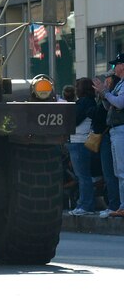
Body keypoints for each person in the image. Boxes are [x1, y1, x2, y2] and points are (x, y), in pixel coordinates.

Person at [93, 52, 124, 218]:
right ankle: (121, 205)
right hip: (115, 130)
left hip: (121, 130)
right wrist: (104, 95)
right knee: (119, 171)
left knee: (122, 171)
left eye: (116, 65)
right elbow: (110, 107)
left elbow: (120, 103)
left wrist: (106, 93)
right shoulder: (120, 84)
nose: (114, 68)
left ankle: (122, 205)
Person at [67, 78, 98, 215]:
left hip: (79, 141)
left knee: (82, 176)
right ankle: (84, 203)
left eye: (77, 86)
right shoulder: (90, 101)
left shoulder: (83, 102)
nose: (75, 89)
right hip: (82, 141)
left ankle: (85, 205)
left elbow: (73, 120)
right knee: (83, 175)